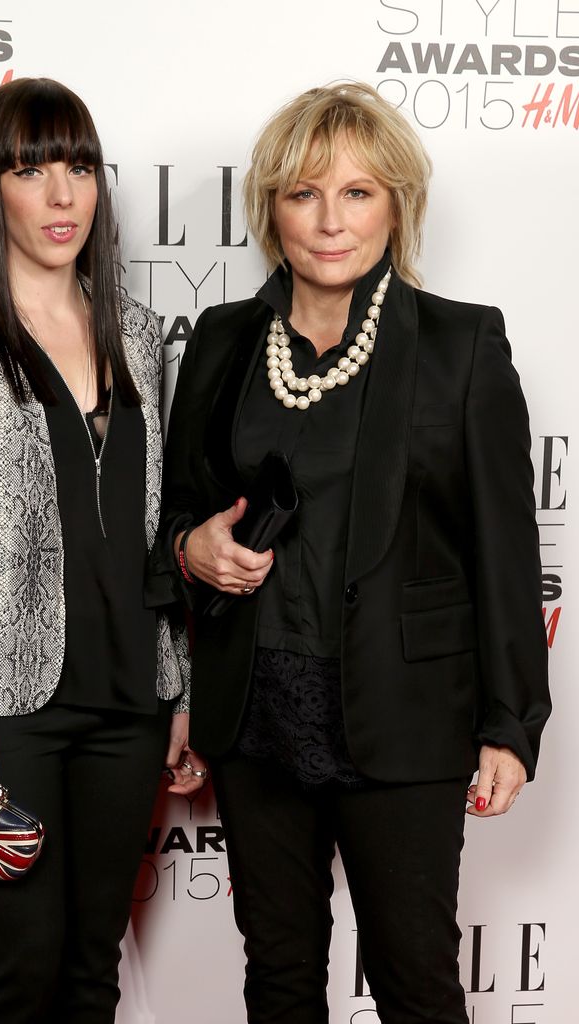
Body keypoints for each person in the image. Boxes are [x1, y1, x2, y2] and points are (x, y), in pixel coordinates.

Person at [154, 81, 551, 1023]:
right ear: (271, 210)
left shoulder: (461, 343)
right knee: (280, 978)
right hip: (257, 716)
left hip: (405, 716)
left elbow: (503, 547)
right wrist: (190, 548)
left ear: (396, 204)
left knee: (415, 980)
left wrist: (511, 721)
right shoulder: (222, 339)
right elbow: (179, 511)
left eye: (358, 193)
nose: (330, 222)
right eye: (303, 194)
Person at [0, 77, 204, 1024]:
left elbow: (158, 532)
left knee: (90, 969)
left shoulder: (141, 336)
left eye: (77, 167)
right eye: (30, 170)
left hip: (128, 700)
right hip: (1, 704)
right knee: (21, 968)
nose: (61, 195)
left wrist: (176, 682)